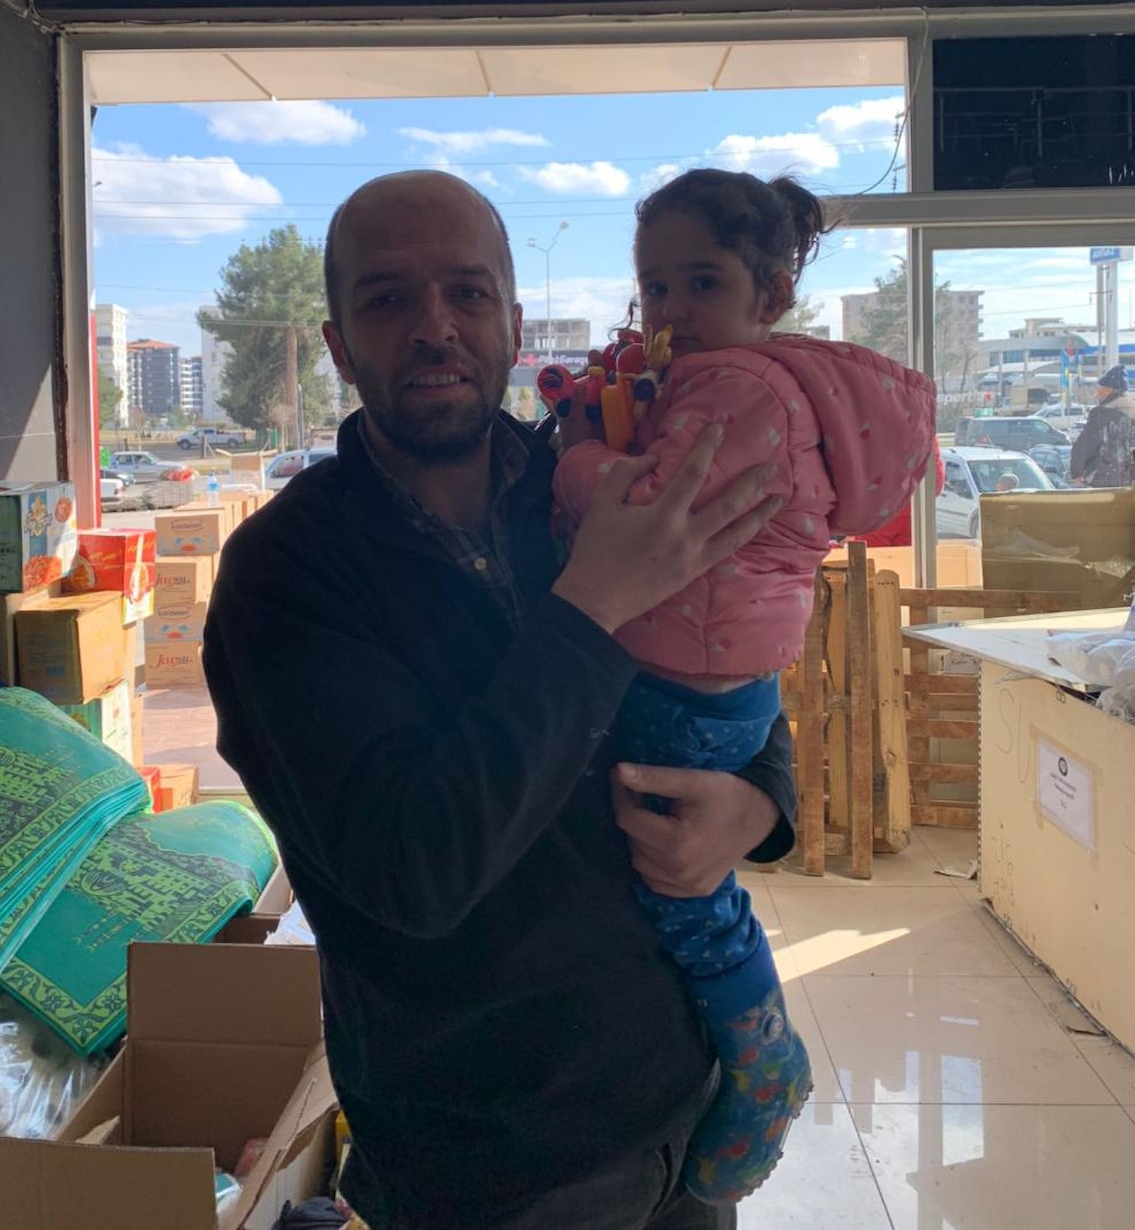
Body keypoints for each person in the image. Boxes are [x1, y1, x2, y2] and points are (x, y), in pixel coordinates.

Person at [203, 169, 801, 1230]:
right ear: (339, 344)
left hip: (680, 1095)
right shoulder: (283, 576)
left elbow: (725, 666)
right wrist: (593, 605)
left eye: (468, 293)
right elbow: (415, 868)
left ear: (514, 325)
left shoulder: (593, 484)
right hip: (491, 1163)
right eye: (389, 298)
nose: (435, 325)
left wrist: (757, 804)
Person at [550, 169, 935, 1203]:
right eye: (655, 287)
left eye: (702, 283)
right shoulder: (747, 380)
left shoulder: (736, 389)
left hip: (688, 681)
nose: (672, 311)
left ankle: (767, 1065)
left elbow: (650, 504)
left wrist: (580, 456)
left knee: (684, 894)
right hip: (711, 671)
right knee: (678, 877)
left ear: (771, 293)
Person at [1071, 365, 1135, 488]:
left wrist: (1076, 472)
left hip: (1104, 481)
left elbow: (1083, 446)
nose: (1096, 394)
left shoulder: (1101, 415)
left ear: (1108, 390)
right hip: (1130, 484)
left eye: (1099, 389)